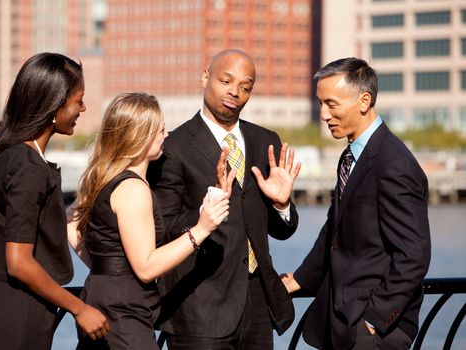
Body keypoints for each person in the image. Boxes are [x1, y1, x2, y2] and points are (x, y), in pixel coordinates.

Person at [147, 49, 301, 349]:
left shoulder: (265, 141)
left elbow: (280, 231)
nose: (235, 92)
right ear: (205, 76)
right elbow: (161, 229)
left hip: (256, 302)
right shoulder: (174, 147)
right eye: (226, 81)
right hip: (198, 304)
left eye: (246, 87)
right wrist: (208, 211)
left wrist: (282, 205)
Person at [0, 52, 109, 350]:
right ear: (54, 104)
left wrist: (13, 233)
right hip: (17, 309)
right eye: (78, 100)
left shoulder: (3, 146)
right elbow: (18, 263)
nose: (83, 108)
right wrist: (80, 309)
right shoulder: (28, 167)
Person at [281, 57, 431, 350]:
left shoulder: (395, 163)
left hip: (374, 330)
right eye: (320, 103)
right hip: (344, 319)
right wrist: (300, 278)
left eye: (331, 104)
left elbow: (414, 254)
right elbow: (334, 227)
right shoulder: (351, 155)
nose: (323, 114)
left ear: (364, 101)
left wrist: (373, 320)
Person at [69, 92, 230, 349]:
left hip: (100, 299)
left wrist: (105, 268)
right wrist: (202, 229)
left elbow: (71, 225)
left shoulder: (104, 178)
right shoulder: (134, 189)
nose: (166, 136)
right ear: (140, 137)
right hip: (124, 311)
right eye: (161, 130)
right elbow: (146, 268)